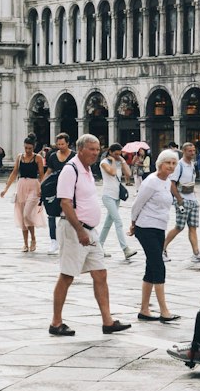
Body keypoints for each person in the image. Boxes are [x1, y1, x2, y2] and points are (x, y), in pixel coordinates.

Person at [49, 134, 131, 337]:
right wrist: (79, 231)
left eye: (97, 149)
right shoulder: (71, 169)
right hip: (73, 229)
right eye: (92, 149)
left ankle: (107, 321)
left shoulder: (86, 169)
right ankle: (56, 322)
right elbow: (65, 203)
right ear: (80, 149)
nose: (96, 153)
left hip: (89, 231)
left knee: (100, 273)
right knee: (67, 275)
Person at [129, 149, 180, 323]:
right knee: (159, 266)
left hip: (159, 227)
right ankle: (164, 311)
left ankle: (144, 310)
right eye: (168, 163)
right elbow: (137, 204)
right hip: (145, 227)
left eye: (174, 163)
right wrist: (133, 223)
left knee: (151, 268)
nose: (171, 166)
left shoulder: (167, 182)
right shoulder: (151, 181)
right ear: (160, 163)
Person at [163, 143, 200, 266]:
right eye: (190, 151)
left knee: (193, 227)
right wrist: (179, 199)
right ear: (184, 151)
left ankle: (196, 253)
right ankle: (162, 248)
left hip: (192, 199)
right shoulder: (179, 165)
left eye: (194, 150)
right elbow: (172, 184)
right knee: (179, 227)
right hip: (182, 199)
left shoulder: (192, 165)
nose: (193, 153)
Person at [0, 137, 45, 252]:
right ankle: (25, 243)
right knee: (21, 216)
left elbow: (41, 174)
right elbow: (14, 173)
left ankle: (33, 239)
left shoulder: (38, 158)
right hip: (21, 186)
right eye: (26, 148)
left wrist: (43, 188)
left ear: (33, 147)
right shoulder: (20, 157)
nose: (28, 150)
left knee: (26, 215)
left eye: (30, 148)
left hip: (34, 186)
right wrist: (6, 189)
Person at [97, 144, 135, 261]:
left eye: (119, 154)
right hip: (107, 196)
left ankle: (99, 247)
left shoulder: (120, 161)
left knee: (107, 224)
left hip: (116, 196)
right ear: (110, 152)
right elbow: (112, 173)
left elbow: (129, 174)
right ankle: (125, 249)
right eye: (116, 154)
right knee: (118, 222)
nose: (118, 156)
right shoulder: (104, 162)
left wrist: (122, 160)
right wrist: (113, 161)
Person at [40, 132, 74, 254]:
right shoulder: (53, 156)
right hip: (54, 187)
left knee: (69, 214)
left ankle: (69, 240)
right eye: (58, 144)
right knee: (51, 214)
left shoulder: (74, 156)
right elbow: (49, 171)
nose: (60, 146)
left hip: (70, 188)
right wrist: (42, 185)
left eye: (63, 144)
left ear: (68, 143)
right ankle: (53, 241)